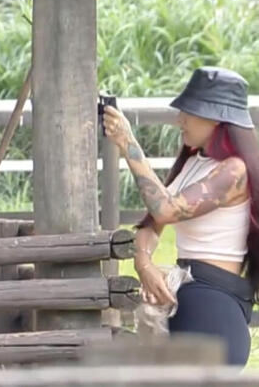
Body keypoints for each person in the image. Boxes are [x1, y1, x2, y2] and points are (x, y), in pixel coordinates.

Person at [104, 66, 259, 366]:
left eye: (189, 111)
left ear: (215, 117)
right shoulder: (193, 163)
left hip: (213, 305)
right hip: (190, 296)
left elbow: (165, 209)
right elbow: (152, 223)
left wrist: (128, 144)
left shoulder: (233, 171)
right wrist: (144, 262)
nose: (180, 120)